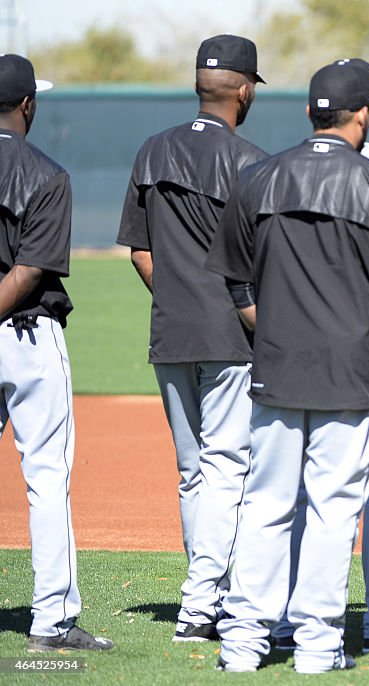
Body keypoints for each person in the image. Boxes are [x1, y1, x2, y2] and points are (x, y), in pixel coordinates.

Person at [206, 58, 369, 674]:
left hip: (277, 368)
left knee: (265, 503)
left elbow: (236, 282)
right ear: (362, 113)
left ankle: (243, 643)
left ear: (311, 111)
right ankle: (316, 646)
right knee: (336, 508)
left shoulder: (258, 177)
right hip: (352, 373)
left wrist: (278, 331)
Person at [116, 34, 267, 640]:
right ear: (246, 90)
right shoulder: (252, 161)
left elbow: (139, 252)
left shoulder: (152, 151)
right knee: (228, 465)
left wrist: (180, 299)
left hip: (172, 330)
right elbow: (263, 263)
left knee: (193, 471)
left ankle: (210, 591)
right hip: (232, 333)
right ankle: (202, 604)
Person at [0, 54, 114, 652]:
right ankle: (52, 623)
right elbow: (28, 271)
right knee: (45, 476)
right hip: (24, 337)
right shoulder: (46, 172)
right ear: (27, 106)